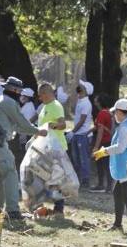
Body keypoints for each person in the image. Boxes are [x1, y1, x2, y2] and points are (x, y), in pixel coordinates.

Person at [0, 77, 48, 220]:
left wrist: (33, 131)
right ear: (14, 90)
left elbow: (16, 126)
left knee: (2, 176)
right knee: (11, 173)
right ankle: (13, 211)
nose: (20, 94)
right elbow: (22, 123)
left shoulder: (2, 101)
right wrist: (39, 131)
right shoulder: (9, 102)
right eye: (19, 91)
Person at [93, 99, 127, 233]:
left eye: (115, 113)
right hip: (124, 167)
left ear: (120, 112)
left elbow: (120, 148)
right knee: (117, 195)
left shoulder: (125, 127)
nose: (114, 116)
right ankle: (118, 224)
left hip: (126, 168)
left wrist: (104, 151)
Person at [37, 83, 67, 217]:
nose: (39, 97)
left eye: (40, 94)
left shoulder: (55, 105)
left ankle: (59, 209)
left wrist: (52, 125)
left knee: (56, 179)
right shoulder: (44, 107)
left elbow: (63, 124)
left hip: (56, 148)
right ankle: (42, 207)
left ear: (47, 93)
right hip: (45, 148)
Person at [71, 80, 94, 188]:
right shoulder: (80, 101)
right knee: (76, 158)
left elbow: (82, 120)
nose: (78, 88)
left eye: (81, 87)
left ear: (85, 90)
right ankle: (78, 178)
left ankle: (85, 180)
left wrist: (72, 131)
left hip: (82, 135)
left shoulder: (86, 103)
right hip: (77, 135)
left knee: (83, 158)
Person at [90, 93, 113, 193]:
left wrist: (96, 147)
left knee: (101, 163)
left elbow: (100, 131)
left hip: (103, 142)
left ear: (100, 102)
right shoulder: (108, 113)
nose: (95, 102)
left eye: (96, 100)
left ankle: (102, 185)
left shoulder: (101, 114)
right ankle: (108, 186)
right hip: (109, 141)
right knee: (106, 164)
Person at [18, 87, 37, 157]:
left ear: (27, 97)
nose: (21, 97)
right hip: (24, 132)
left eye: (22, 96)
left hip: (26, 134)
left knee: (26, 151)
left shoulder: (29, 107)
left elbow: (28, 122)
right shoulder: (27, 105)